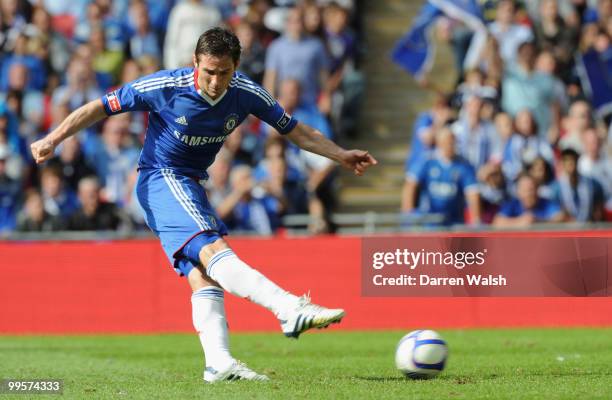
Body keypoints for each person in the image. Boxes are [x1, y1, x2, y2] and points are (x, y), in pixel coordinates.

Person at [30, 27, 377, 383]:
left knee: (202, 274)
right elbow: (100, 107)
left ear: (235, 66)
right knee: (214, 249)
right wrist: (53, 138)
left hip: (191, 185)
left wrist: (340, 155)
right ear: (195, 62)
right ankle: (288, 307)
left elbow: (295, 130)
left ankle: (219, 363)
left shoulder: (246, 93)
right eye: (208, 71)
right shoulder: (164, 86)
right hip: (160, 178)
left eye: (223, 72)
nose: (214, 80)